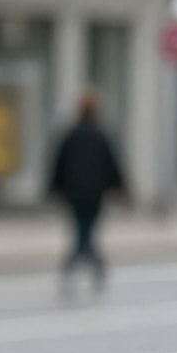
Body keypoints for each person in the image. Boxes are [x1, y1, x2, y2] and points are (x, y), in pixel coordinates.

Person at [48, 91, 128, 295]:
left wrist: (54, 187)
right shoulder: (100, 135)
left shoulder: (71, 134)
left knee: (82, 229)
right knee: (86, 229)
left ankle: (79, 265)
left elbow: (59, 163)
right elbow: (112, 164)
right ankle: (91, 264)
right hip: (95, 192)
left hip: (74, 192)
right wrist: (121, 188)